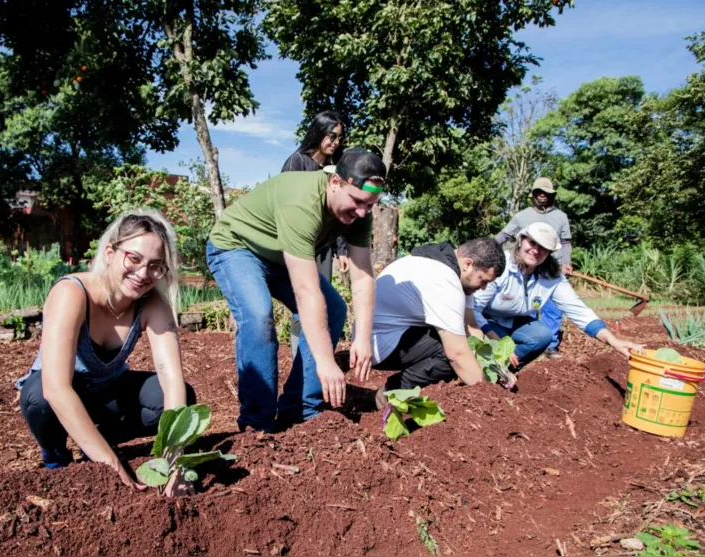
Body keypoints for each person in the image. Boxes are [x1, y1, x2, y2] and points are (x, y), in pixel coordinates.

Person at [207, 147, 386, 432]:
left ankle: (301, 409)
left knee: (335, 309)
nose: (363, 211)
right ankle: (258, 424)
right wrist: (327, 362)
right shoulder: (302, 202)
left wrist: (362, 338)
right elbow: (306, 290)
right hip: (238, 247)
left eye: (371, 204)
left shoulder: (359, 211)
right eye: (358, 201)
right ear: (336, 183)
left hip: (280, 256)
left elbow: (363, 275)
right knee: (257, 315)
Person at [16, 209, 195, 494]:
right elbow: (56, 388)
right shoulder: (71, 293)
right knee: (38, 396)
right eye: (134, 259)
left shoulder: (152, 304)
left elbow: (171, 379)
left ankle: (97, 443)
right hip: (59, 394)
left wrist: (174, 463)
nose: (142, 274)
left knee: (173, 398)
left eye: (155, 266)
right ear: (111, 252)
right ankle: (56, 458)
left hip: (107, 394)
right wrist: (112, 466)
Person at [476, 222, 642, 369]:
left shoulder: (552, 276)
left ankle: (502, 373)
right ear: (521, 240)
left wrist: (613, 341)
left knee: (541, 335)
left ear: (549, 252)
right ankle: (477, 368)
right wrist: (499, 341)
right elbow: (474, 310)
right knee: (503, 344)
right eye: (532, 243)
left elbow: (578, 310)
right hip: (483, 319)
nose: (535, 251)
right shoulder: (502, 265)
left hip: (513, 320)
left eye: (543, 248)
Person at [370, 238, 508, 408]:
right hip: (377, 344)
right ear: (468, 264)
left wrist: (494, 368)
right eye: (483, 280)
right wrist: (488, 395)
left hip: (396, 335)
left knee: (463, 349)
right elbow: (456, 354)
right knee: (450, 356)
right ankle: (389, 394)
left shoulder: (450, 267)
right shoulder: (444, 280)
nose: (484, 288)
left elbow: (471, 325)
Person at [281, 110, 350, 359]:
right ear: (319, 133)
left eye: (339, 137)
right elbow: (286, 204)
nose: (335, 142)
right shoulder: (297, 162)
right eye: (331, 136)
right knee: (304, 300)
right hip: (300, 245)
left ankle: (317, 358)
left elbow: (340, 210)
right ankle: (300, 358)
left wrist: (342, 250)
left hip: (324, 247)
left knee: (322, 302)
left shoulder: (335, 170)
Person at [495, 177, 573, 358]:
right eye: (538, 192)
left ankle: (551, 345)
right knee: (525, 305)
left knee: (553, 308)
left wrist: (566, 261)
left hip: (551, 269)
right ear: (533, 195)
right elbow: (504, 235)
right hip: (526, 268)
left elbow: (566, 242)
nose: (542, 196)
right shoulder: (523, 216)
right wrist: (487, 248)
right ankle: (520, 340)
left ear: (552, 195)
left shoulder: (561, 217)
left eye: (546, 193)